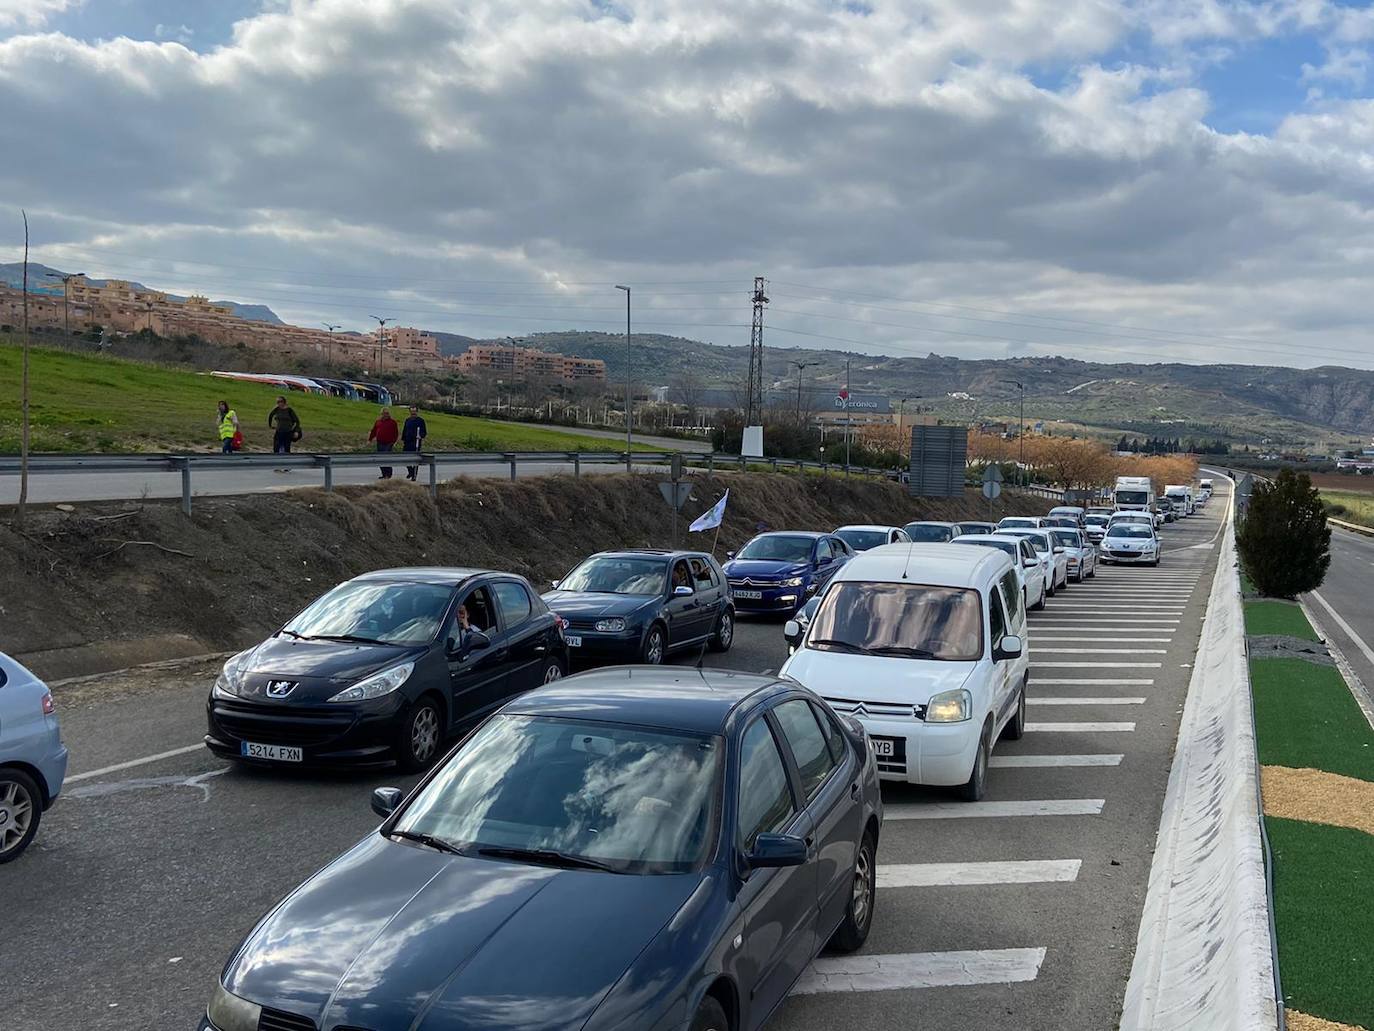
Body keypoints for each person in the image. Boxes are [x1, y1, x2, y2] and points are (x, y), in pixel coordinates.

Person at [268, 396, 301, 470]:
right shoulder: (276, 409)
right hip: (279, 431)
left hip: (288, 431)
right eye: (277, 402)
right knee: (276, 448)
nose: (279, 403)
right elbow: (270, 416)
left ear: (284, 402)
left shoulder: (289, 410)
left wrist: (296, 431)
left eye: (280, 402)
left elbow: (297, 421)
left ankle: (287, 465)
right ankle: (276, 465)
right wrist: (270, 425)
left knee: (286, 448)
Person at [369, 406, 400, 479]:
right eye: (383, 413)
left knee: (387, 458)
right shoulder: (378, 422)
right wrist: (370, 439)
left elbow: (396, 433)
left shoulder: (393, 422)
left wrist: (394, 442)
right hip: (380, 442)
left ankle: (388, 474)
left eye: (386, 413)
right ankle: (383, 473)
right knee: (380, 459)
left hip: (388, 443)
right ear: (381, 414)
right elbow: (374, 431)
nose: (385, 415)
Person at [402, 405, 428, 481]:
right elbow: (405, 430)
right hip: (407, 442)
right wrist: (403, 438)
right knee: (405, 459)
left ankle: (414, 475)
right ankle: (411, 472)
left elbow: (424, 432)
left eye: (414, 411)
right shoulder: (407, 420)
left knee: (415, 460)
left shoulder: (421, 421)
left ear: (417, 412)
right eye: (411, 411)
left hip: (415, 442)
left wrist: (420, 436)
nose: (413, 413)